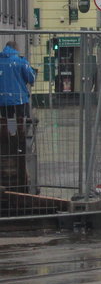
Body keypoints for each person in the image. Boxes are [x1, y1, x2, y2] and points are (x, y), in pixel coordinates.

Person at [1, 41, 37, 189]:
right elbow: (31, 78)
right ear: (16, 49)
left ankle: (9, 140)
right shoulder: (20, 61)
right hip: (19, 99)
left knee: (7, 122)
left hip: (2, 100)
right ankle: (19, 144)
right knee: (21, 123)